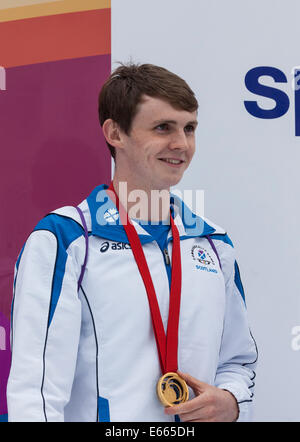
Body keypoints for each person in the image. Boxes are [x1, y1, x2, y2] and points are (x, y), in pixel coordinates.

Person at [7, 63, 257, 422]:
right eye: (162, 128)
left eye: (189, 128)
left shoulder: (212, 243)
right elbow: (36, 392)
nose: (181, 144)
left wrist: (231, 402)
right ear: (115, 133)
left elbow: (237, 362)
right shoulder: (67, 240)